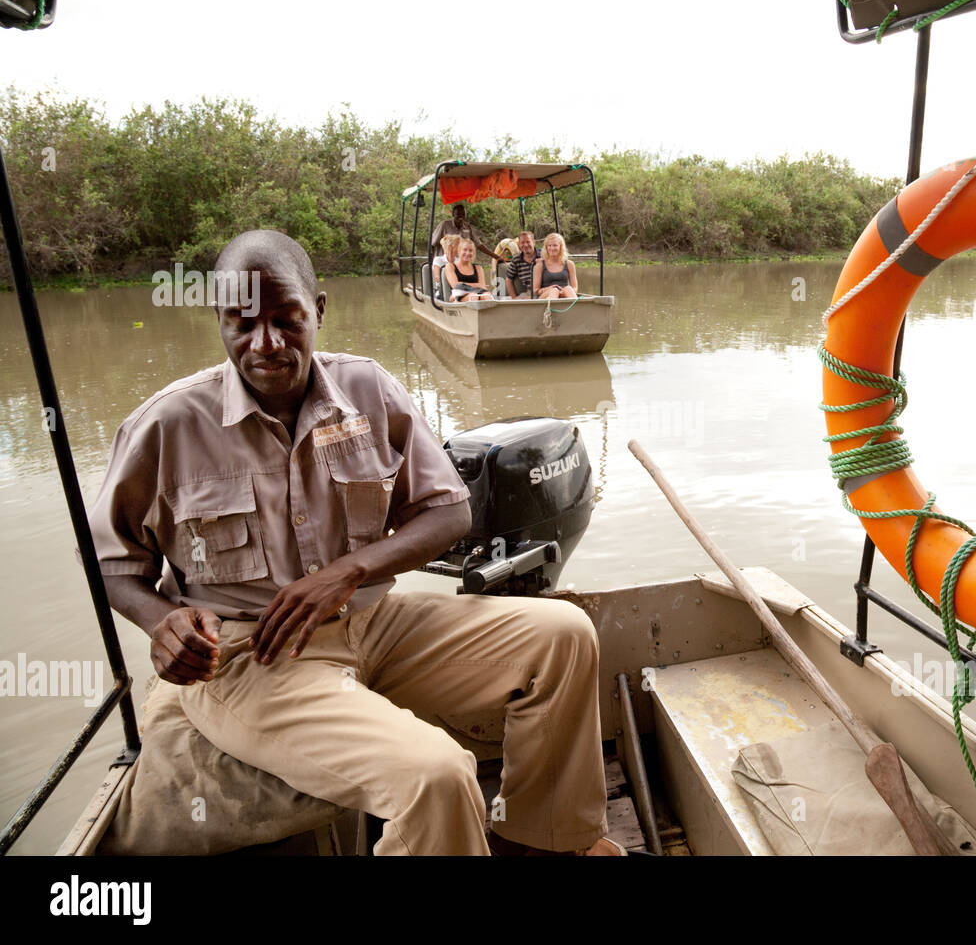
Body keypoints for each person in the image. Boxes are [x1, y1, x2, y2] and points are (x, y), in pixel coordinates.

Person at [87, 229, 620, 856]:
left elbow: (447, 512)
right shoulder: (167, 424)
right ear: (219, 319)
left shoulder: (368, 390)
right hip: (253, 657)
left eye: (286, 319)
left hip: (369, 621)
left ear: (318, 309)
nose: (266, 344)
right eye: (242, 323)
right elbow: (109, 563)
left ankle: (547, 839)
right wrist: (162, 622)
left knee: (563, 636)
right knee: (437, 776)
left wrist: (350, 571)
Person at [429, 203, 501, 265]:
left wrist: (496, 257)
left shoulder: (467, 227)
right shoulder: (444, 225)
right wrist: (432, 260)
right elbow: (432, 243)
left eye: (463, 214)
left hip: (461, 264)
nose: (461, 217)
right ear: (453, 214)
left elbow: (479, 244)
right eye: (458, 214)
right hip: (445, 263)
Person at [442, 235, 492, 301]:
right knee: (473, 297)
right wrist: (477, 285)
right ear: (459, 251)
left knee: (487, 296)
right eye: (465, 250)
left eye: (470, 250)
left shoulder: (478, 268)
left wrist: (476, 286)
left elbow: (482, 286)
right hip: (460, 295)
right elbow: (455, 285)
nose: (467, 253)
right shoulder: (450, 266)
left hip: (478, 293)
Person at [533, 232, 578, 299]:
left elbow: (575, 288)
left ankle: (576, 308)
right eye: (549, 245)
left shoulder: (569, 264)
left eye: (555, 245)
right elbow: (535, 290)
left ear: (560, 247)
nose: (552, 248)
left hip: (564, 294)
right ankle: (549, 308)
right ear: (546, 247)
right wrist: (547, 289)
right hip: (546, 295)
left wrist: (562, 292)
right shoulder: (540, 265)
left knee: (568, 288)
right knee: (554, 291)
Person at [504, 230, 541, 299]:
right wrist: (514, 297)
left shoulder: (544, 255)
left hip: (545, 289)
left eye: (528, 242)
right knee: (521, 300)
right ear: (519, 245)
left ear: (534, 242)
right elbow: (508, 279)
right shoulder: (516, 260)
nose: (525, 245)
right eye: (522, 243)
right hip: (529, 292)